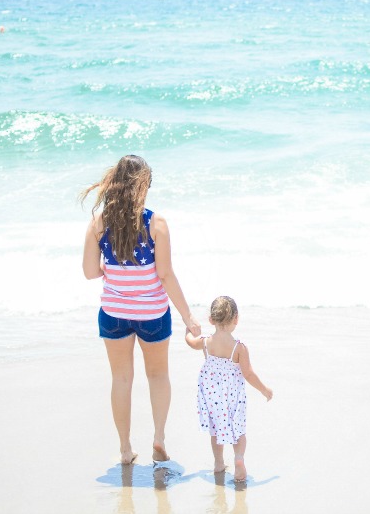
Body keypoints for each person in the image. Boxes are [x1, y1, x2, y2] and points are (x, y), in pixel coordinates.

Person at [81, 154, 201, 465]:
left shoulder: (99, 223)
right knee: (158, 375)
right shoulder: (156, 223)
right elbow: (165, 274)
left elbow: (90, 272)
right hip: (151, 314)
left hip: (114, 313)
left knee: (121, 379)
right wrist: (188, 316)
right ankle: (159, 438)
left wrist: (116, 273)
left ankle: (124, 449)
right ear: (142, 186)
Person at [185, 296, 273, 482]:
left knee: (216, 430)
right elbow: (248, 374)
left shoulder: (206, 341)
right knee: (237, 429)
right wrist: (264, 389)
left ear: (211, 320)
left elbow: (191, 342)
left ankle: (218, 463)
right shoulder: (238, 347)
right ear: (236, 319)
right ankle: (239, 458)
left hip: (211, 395)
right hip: (233, 395)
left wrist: (188, 331)